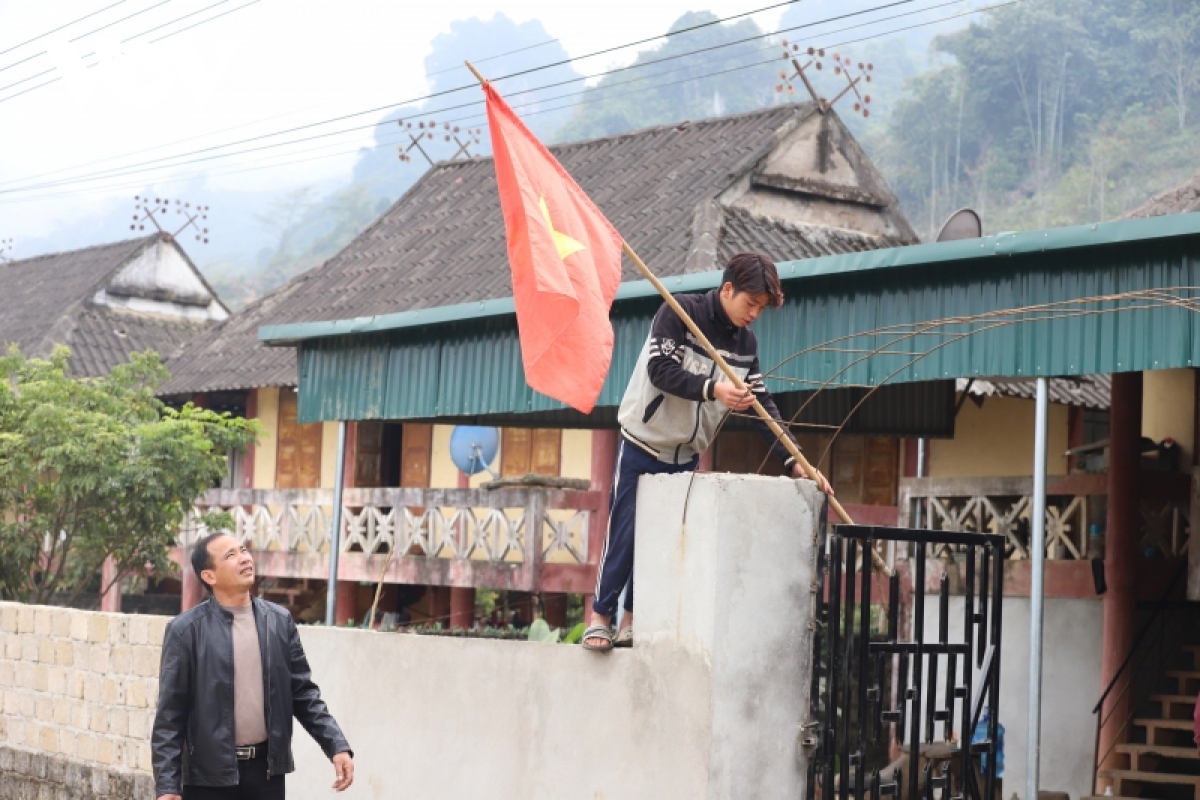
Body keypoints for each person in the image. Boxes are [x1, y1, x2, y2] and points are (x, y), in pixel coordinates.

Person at [583, 252, 833, 652]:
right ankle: (599, 617)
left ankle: (631, 620)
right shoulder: (679, 312)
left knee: (661, 541)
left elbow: (760, 404)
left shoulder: (745, 342)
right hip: (644, 442)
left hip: (685, 457)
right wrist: (713, 389)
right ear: (728, 289)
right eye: (750, 303)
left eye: (761, 308)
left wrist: (795, 460)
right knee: (624, 532)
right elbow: (660, 371)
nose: (754, 313)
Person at [152, 532, 354, 799]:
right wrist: (168, 785)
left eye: (243, 550)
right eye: (231, 555)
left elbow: (303, 693)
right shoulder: (186, 630)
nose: (244, 558)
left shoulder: (278, 621)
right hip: (208, 778)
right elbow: (170, 714)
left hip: (267, 773)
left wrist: (336, 745)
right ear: (209, 576)